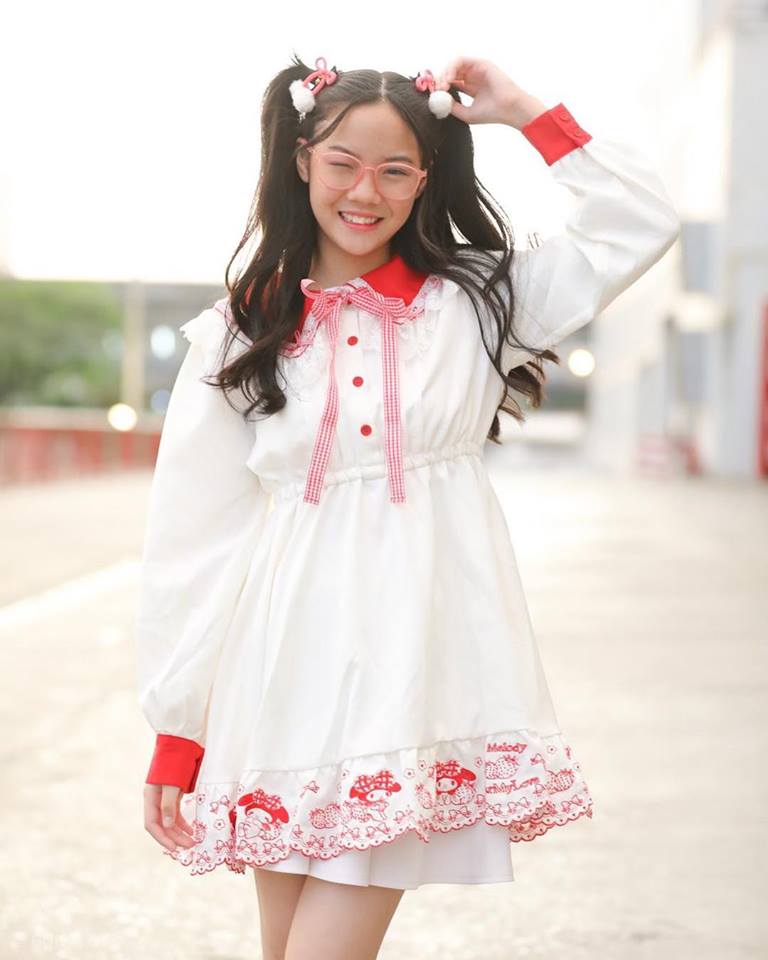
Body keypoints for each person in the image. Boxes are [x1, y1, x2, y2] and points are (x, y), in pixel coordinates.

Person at [137, 53, 680, 959]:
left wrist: (525, 112)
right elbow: (193, 540)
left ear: (426, 180)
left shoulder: (479, 301)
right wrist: (178, 727)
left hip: (413, 673)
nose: (366, 192)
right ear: (301, 158)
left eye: (396, 170)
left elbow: (640, 223)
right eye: (343, 163)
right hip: (284, 676)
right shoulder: (240, 330)